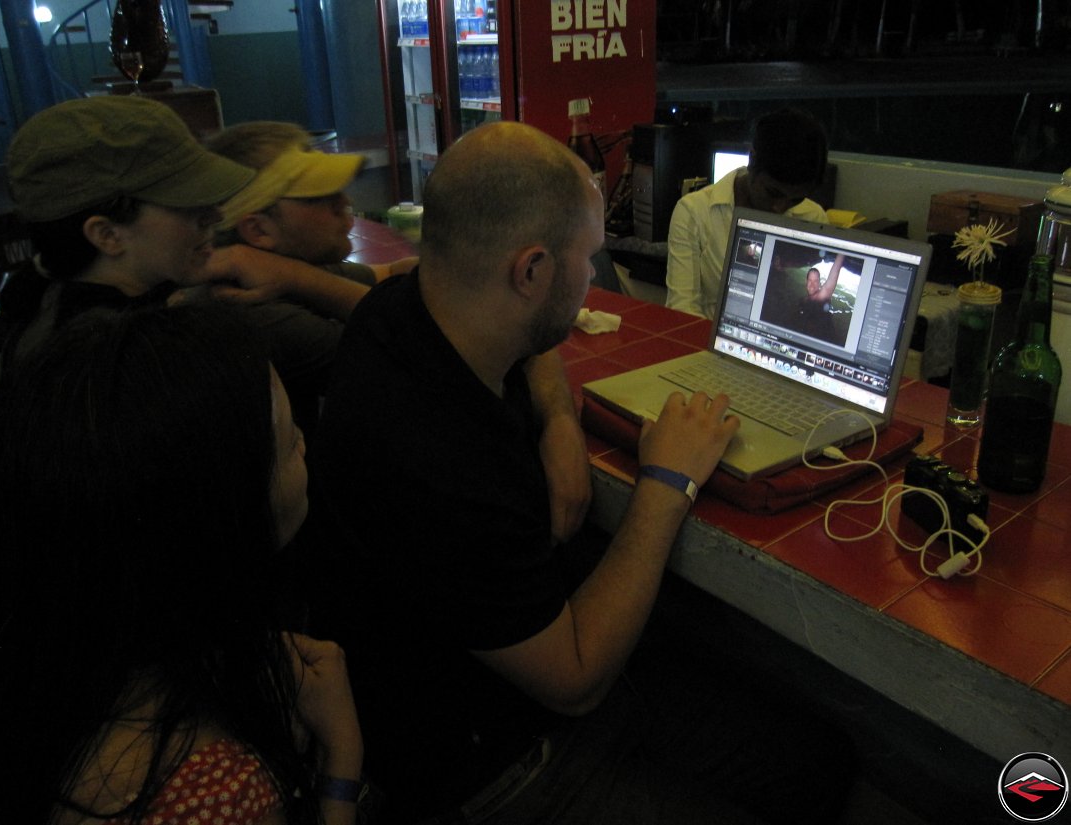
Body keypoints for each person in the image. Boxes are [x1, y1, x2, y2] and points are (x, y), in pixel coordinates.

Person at [303, 121, 854, 824]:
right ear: (530, 271)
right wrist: (667, 482)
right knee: (806, 769)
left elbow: (529, 343)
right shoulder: (436, 459)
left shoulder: (400, 312)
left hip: (488, 681)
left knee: (808, 751)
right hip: (493, 765)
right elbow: (577, 679)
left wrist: (560, 423)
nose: (595, 277)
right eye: (589, 258)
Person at [0, 304, 363, 824]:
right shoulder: (219, 791)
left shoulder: (30, 660)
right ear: (220, 516)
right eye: (288, 441)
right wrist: (341, 764)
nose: (304, 445)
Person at [0, 96, 370, 433]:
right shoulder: (136, 368)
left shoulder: (98, 297)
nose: (213, 214)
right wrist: (297, 278)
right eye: (186, 203)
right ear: (107, 235)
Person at [666, 107, 830, 318]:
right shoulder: (695, 212)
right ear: (752, 160)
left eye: (795, 199)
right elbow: (682, 312)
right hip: (707, 339)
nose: (780, 207)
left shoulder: (812, 218)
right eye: (773, 193)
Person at [206, 121, 418, 283]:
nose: (345, 201)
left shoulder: (296, 265)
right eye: (318, 197)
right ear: (258, 230)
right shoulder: (270, 318)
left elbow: (390, 272)